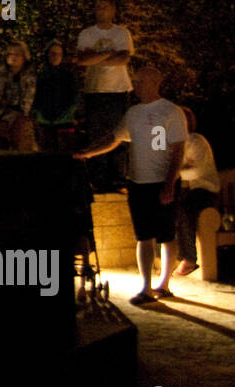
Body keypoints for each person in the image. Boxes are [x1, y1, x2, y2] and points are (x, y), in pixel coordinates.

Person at [75, 67, 187, 305]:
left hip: (162, 181)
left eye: (140, 81)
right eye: (136, 81)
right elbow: (114, 138)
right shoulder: (134, 113)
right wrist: (88, 153)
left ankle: (164, 284)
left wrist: (169, 183)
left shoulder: (171, 111)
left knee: (166, 234)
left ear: (154, 82)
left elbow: (178, 150)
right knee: (143, 235)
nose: (136, 85)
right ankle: (146, 287)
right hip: (137, 182)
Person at [75, 0, 134, 193]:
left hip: (118, 89)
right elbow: (83, 60)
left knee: (119, 133)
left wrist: (96, 57)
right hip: (95, 89)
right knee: (96, 133)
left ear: (113, 10)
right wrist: (110, 53)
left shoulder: (122, 33)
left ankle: (118, 178)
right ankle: (98, 179)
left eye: (105, 7)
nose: (101, 10)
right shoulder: (87, 34)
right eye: (98, 7)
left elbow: (123, 58)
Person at [174, 107, 219, 277]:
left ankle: (189, 259)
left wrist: (176, 173)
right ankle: (167, 257)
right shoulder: (177, 143)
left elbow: (197, 171)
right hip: (189, 190)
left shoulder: (196, 141)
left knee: (184, 208)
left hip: (205, 190)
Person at [0, 41, 37, 151]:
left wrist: (26, 115)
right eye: (10, 54)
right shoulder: (1, 73)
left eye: (17, 54)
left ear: (24, 57)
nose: (13, 57)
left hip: (21, 117)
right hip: (2, 116)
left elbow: (29, 98)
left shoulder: (29, 75)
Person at [32, 41, 80, 153]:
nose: (55, 56)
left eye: (59, 54)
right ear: (47, 54)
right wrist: (38, 114)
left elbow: (74, 98)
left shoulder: (69, 76)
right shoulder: (40, 76)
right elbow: (35, 98)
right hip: (44, 123)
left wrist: (66, 114)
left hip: (65, 122)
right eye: (53, 53)